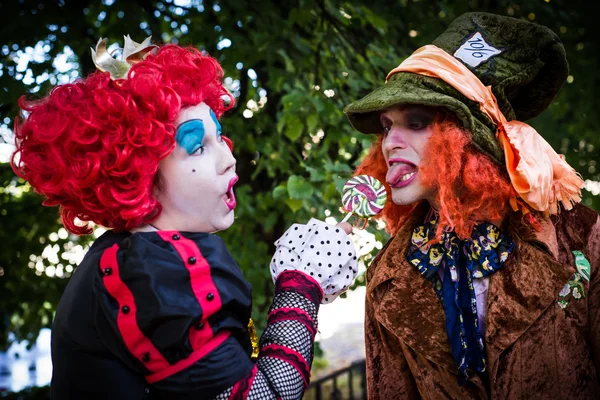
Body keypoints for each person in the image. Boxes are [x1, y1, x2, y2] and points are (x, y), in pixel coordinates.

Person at [11, 36, 358, 399]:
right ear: (136, 174)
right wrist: (301, 285)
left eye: (219, 136)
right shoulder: (149, 271)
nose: (228, 158)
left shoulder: (132, 257)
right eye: (197, 147)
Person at [343, 12, 599, 399]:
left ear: (469, 139)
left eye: (415, 122)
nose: (390, 140)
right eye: (386, 125)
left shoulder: (580, 237)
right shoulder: (387, 278)